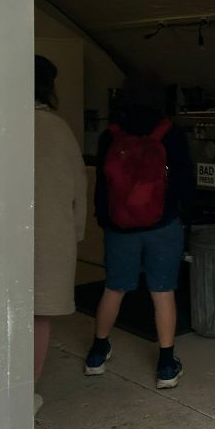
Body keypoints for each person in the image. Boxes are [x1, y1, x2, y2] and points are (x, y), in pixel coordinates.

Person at [84, 74, 194, 389]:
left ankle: (97, 354)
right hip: (163, 225)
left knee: (114, 288)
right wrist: (185, 216)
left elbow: (102, 186)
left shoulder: (110, 135)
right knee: (163, 291)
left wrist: (104, 219)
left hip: (120, 227)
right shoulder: (171, 134)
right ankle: (166, 366)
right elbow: (185, 182)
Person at [33, 55, 88, 413]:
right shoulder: (58, 129)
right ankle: (26, 392)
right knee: (38, 315)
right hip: (49, 238)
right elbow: (78, 188)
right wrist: (76, 234)